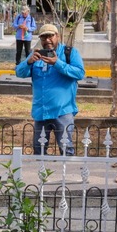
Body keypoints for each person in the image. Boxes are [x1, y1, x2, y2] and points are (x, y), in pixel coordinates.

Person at [15, 24, 86, 155]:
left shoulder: (69, 53)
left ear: (57, 36)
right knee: (39, 150)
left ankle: (65, 175)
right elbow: (19, 73)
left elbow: (80, 73)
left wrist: (57, 63)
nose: (47, 40)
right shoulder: (36, 56)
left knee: (66, 150)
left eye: (50, 36)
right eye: (43, 37)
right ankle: (41, 175)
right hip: (41, 112)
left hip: (63, 111)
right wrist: (28, 62)